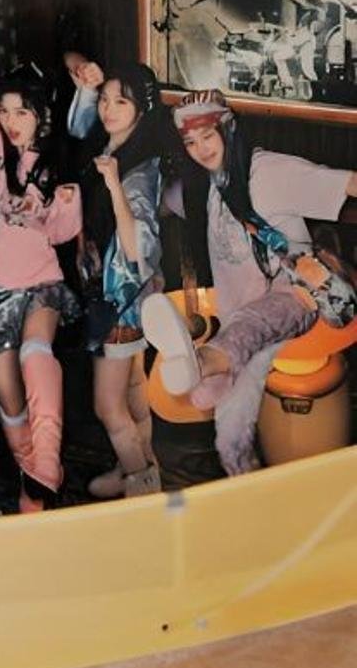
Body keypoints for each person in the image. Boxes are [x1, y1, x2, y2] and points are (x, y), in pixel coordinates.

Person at [141, 89, 357, 475]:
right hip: (238, 320)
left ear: (228, 129)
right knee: (228, 437)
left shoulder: (268, 171)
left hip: (293, 294)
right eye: (190, 142)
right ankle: (247, 486)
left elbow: (348, 184)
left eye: (207, 136)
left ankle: (202, 362)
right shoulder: (201, 186)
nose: (201, 149)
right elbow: (156, 201)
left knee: (249, 326)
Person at [0, 0, 82, 512]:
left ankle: (47, 468)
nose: (11, 121)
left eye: (22, 112)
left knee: (36, 351)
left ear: (42, 115)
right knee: (8, 395)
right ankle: (33, 478)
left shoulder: (56, 167)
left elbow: (65, 231)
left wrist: (46, 210)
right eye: (5, 111)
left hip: (42, 284)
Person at [66, 54, 166, 498]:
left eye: (120, 102)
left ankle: (143, 489)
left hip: (121, 301)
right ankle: (140, 469)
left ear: (141, 111)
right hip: (124, 296)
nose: (107, 109)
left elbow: (136, 247)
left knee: (108, 407)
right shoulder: (112, 149)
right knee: (134, 390)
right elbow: (70, 62)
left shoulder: (136, 170)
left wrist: (112, 185)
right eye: (104, 99)